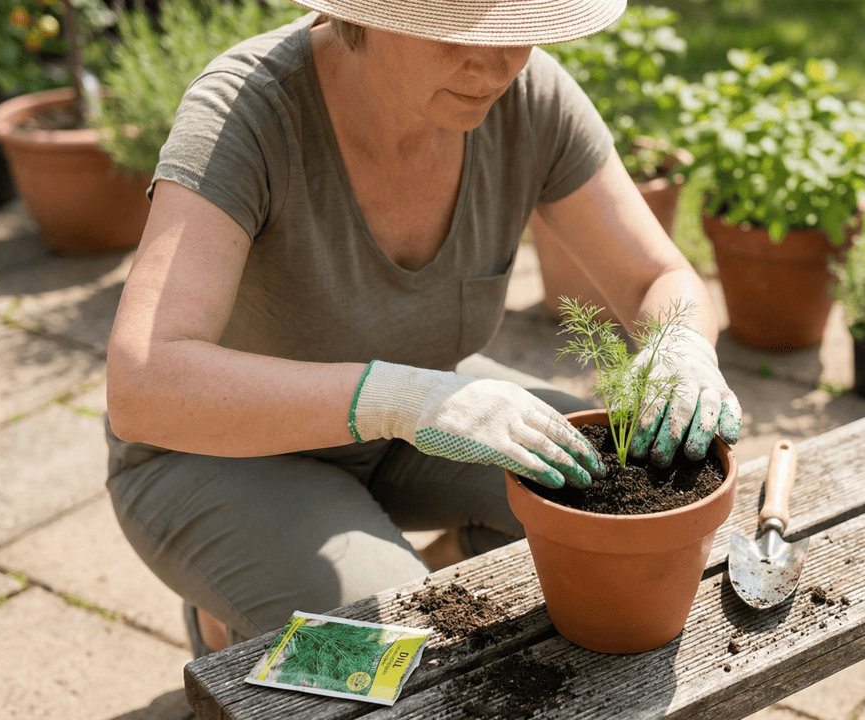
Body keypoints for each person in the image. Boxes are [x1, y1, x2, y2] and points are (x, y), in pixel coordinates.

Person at [104, 0, 742, 657]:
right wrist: (404, 400)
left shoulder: (530, 98)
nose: (498, 66)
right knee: (388, 655)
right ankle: (232, 634)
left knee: (613, 523)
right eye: (465, 31)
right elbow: (143, 384)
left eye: (519, 33)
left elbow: (653, 278)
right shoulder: (247, 112)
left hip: (412, 421)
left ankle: (410, 568)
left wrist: (680, 344)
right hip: (219, 452)